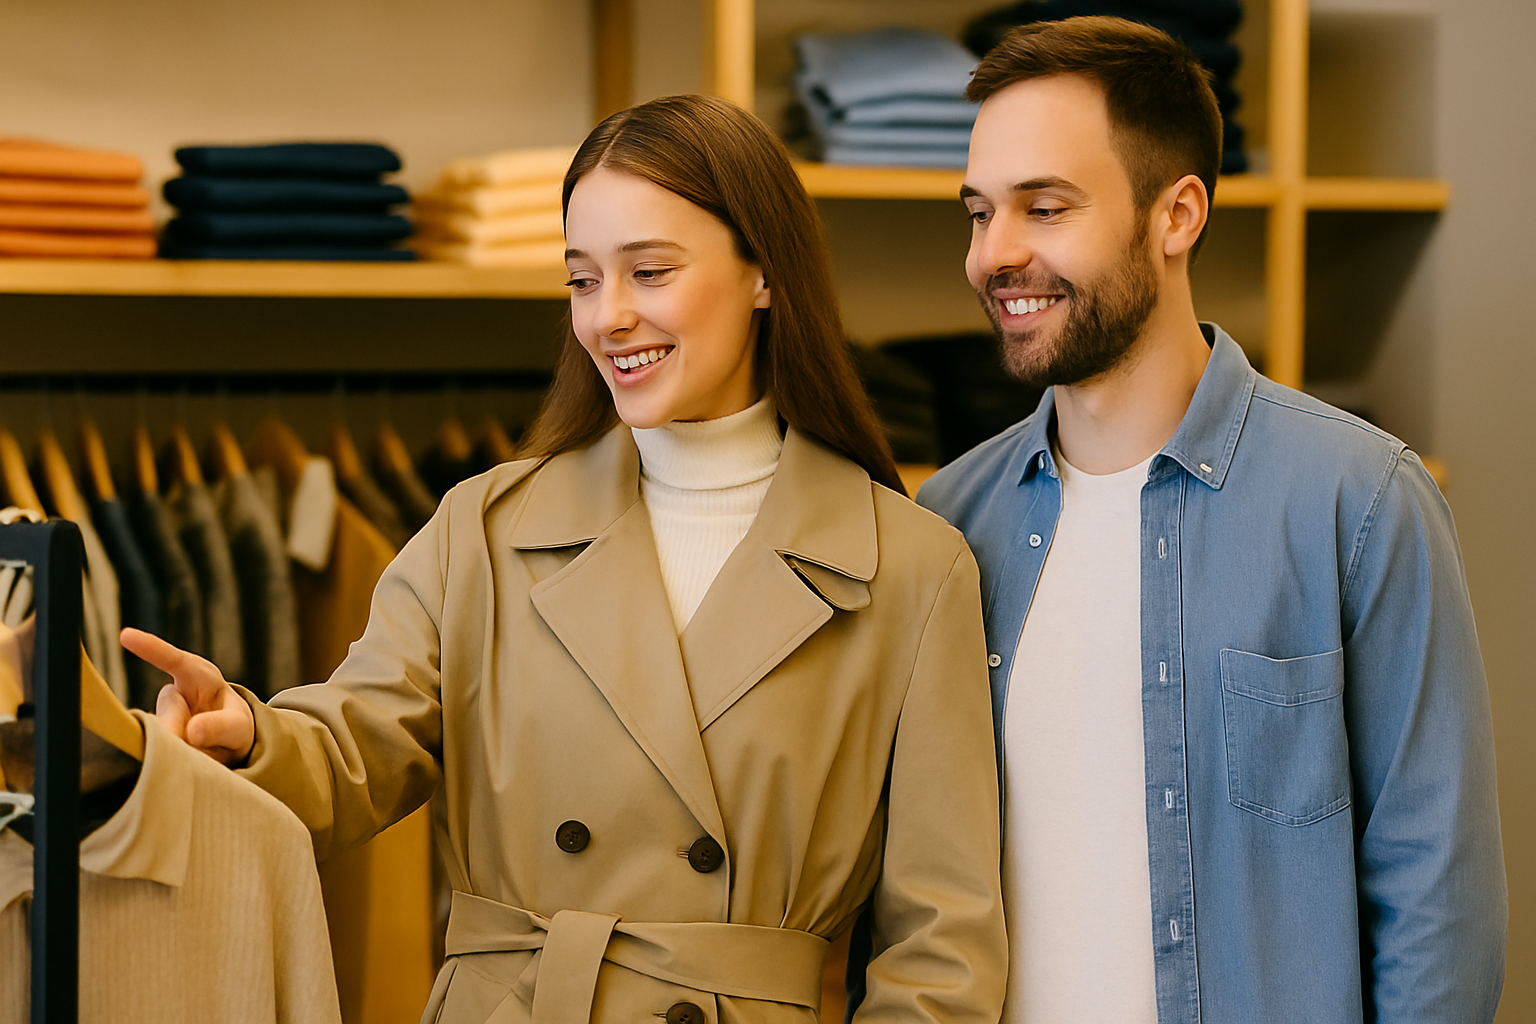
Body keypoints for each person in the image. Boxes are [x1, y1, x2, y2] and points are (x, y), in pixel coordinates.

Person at [124, 94, 1007, 1024]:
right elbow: (353, 746)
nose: (610, 318)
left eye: (650, 271)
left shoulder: (909, 567)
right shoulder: (487, 528)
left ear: (763, 273)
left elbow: (938, 943)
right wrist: (251, 735)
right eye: (583, 281)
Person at [917, 17, 1507, 1024]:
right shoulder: (946, 526)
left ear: (1177, 213)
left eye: (1044, 207)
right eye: (979, 213)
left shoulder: (1359, 502)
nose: (994, 254)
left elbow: (1438, 911)